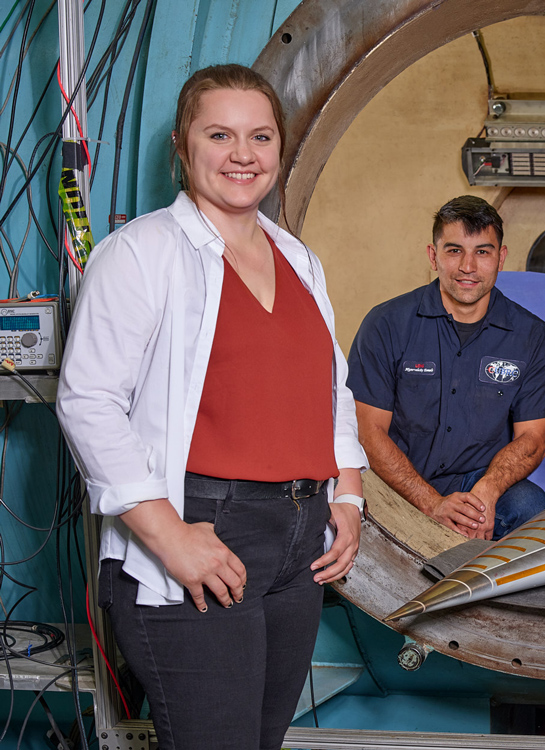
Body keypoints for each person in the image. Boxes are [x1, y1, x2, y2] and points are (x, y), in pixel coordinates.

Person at [56, 64, 367, 750]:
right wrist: (170, 538)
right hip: (204, 526)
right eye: (220, 134)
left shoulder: (299, 260)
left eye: (260, 136)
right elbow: (88, 402)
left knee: (259, 741)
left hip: (298, 540)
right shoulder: (141, 254)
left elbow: (330, 388)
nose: (243, 154)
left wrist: (347, 493)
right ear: (182, 143)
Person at [347, 196, 545, 541]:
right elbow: (368, 433)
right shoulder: (386, 324)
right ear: (433, 256)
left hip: (480, 483)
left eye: (482, 251)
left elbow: (533, 439)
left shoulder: (531, 336)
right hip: (396, 484)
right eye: (453, 250)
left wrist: (485, 496)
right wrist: (431, 503)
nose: (468, 266)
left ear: (500, 258)